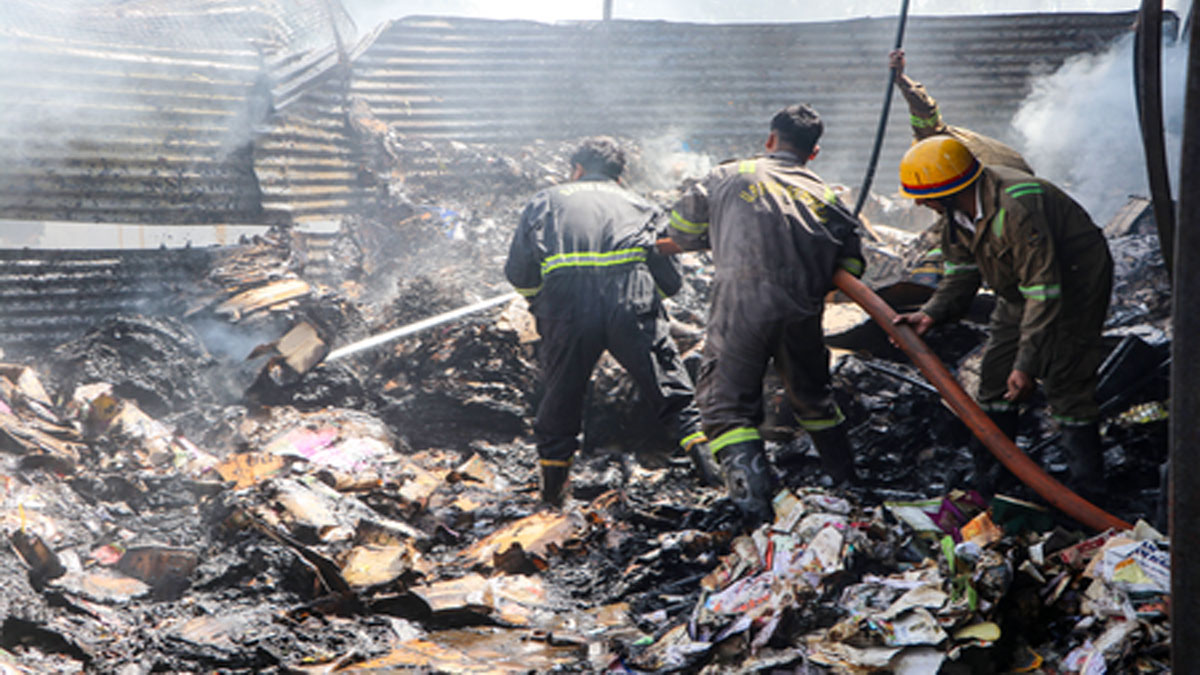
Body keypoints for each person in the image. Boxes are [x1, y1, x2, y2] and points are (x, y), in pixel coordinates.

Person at [664, 104, 866, 523]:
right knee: (813, 398)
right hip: (803, 311)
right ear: (813, 153)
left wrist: (715, 231)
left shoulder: (728, 174)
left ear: (770, 139)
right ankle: (848, 485)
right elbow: (853, 264)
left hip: (741, 304)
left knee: (726, 407)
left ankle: (756, 513)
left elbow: (681, 230)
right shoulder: (828, 195)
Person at [893, 136, 1113, 498]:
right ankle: (996, 478)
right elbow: (961, 273)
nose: (919, 202)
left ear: (947, 190)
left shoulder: (1015, 207)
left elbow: (1044, 290)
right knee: (996, 374)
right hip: (1019, 287)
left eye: (923, 194)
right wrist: (931, 314)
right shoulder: (954, 216)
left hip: (1075, 282)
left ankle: (1087, 491)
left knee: (1065, 374)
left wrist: (1027, 364)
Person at [504, 136, 719, 507]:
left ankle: (553, 496)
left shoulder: (545, 201)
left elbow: (519, 272)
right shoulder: (643, 205)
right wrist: (645, 305)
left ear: (577, 169)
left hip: (566, 306)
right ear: (620, 175)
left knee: (560, 398)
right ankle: (716, 479)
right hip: (630, 300)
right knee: (673, 393)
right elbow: (670, 280)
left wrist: (540, 300)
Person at [890, 48, 1033, 174]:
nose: (919, 202)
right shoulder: (952, 162)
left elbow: (925, 112)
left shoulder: (946, 148)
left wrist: (902, 80)